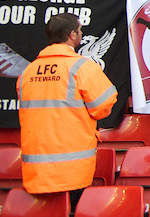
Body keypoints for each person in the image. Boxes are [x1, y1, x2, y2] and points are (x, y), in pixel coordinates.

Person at [18, 13, 117, 204]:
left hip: (36, 168)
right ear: (72, 35)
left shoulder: (28, 71)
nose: (81, 33)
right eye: (79, 30)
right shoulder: (81, 67)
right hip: (72, 168)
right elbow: (104, 104)